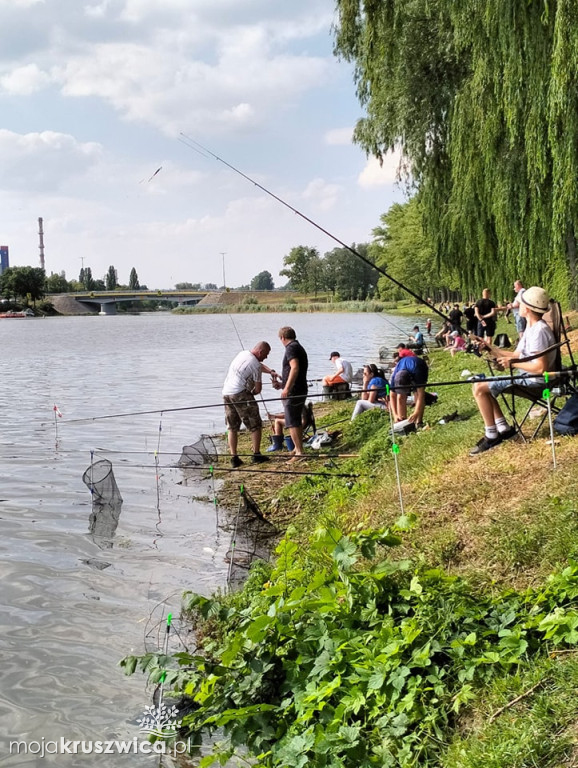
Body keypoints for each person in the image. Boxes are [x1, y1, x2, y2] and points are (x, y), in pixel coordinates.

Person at [469, 286, 556, 455]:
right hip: (526, 376)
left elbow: (540, 368)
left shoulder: (539, 331)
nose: (517, 305)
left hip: (534, 381)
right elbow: (516, 354)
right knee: (479, 382)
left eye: (520, 303)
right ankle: (503, 428)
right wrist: (489, 347)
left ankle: (491, 435)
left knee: (480, 388)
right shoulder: (531, 327)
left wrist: (513, 364)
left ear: (527, 308)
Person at [222, 341, 276, 468]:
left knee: (232, 426)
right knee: (255, 424)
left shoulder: (243, 354)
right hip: (240, 394)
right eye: (266, 354)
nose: (266, 357)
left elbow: (259, 365)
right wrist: (251, 392)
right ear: (260, 351)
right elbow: (258, 390)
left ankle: (234, 458)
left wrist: (271, 371)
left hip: (226, 393)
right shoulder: (255, 366)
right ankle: (256, 455)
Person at [273, 327, 309, 458]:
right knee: (295, 419)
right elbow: (294, 371)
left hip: (294, 391)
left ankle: (299, 452)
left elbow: (295, 368)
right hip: (299, 388)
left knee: (292, 421)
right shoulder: (297, 346)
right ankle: (296, 448)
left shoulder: (291, 348)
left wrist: (287, 388)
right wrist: (282, 385)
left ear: (283, 337)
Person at [389, 353, 429, 426]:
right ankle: (402, 422)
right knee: (400, 397)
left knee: (416, 394)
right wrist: (395, 415)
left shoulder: (417, 372)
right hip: (403, 367)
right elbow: (392, 396)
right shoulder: (395, 375)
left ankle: (419, 422)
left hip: (419, 366)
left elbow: (421, 395)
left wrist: (416, 412)